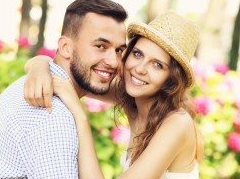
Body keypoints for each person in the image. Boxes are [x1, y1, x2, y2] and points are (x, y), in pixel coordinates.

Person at [24, 12, 203, 178]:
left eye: (157, 65)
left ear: (171, 79)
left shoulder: (177, 123)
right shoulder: (131, 97)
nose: (139, 69)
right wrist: (39, 66)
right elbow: (73, 73)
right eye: (137, 54)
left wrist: (79, 115)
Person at [0, 0, 127, 178]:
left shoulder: (35, 84)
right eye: (100, 46)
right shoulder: (52, 112)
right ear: (65, 47)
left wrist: (38, 63)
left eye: (119, 50)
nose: (114, 62)